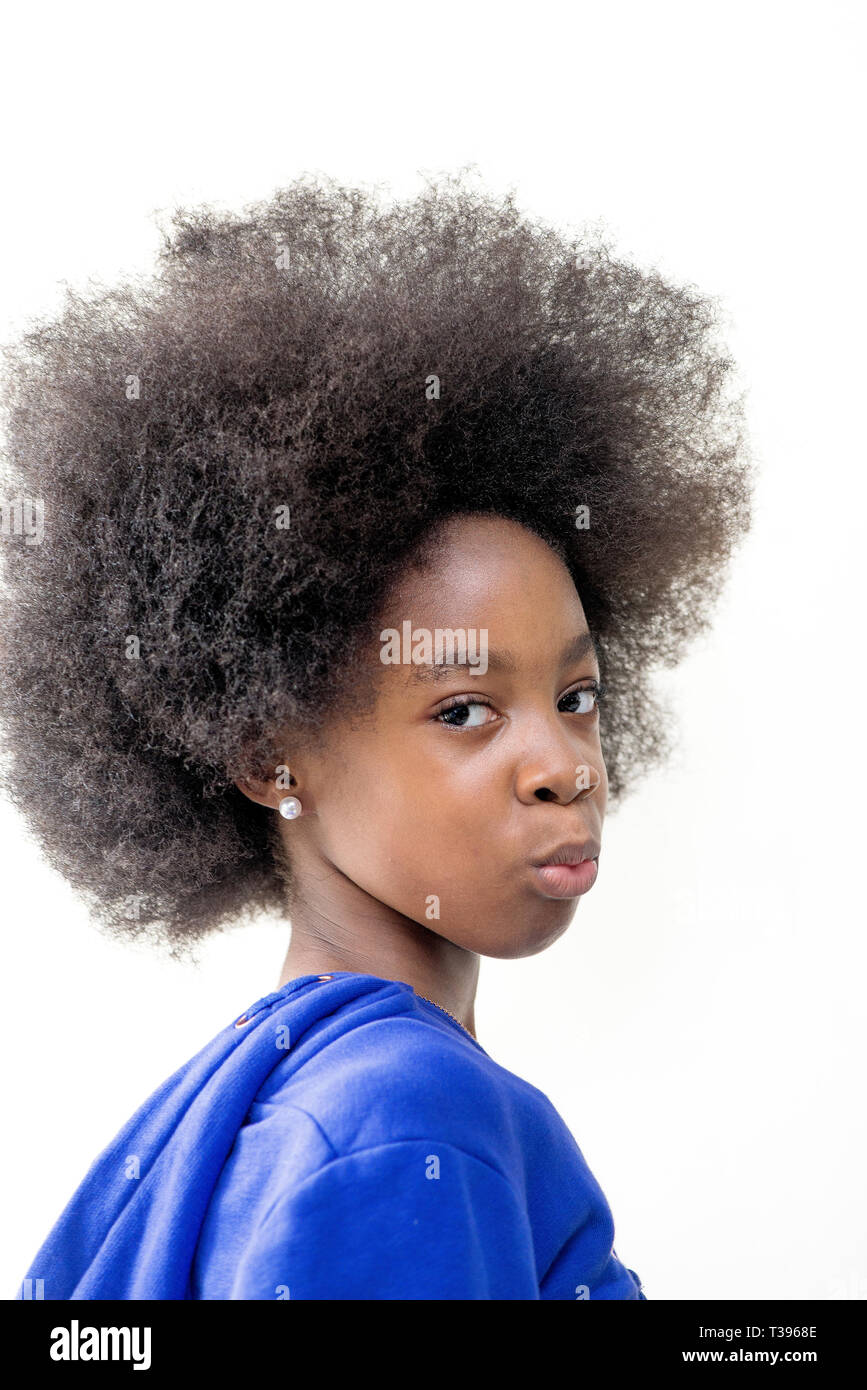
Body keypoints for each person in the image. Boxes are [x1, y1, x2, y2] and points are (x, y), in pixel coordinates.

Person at [0, 171, 751, 1299]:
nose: (562, 766)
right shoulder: (408, 1117)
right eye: (462, 711)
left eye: (578, 696)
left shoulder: (249, 1100)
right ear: (268, 757)